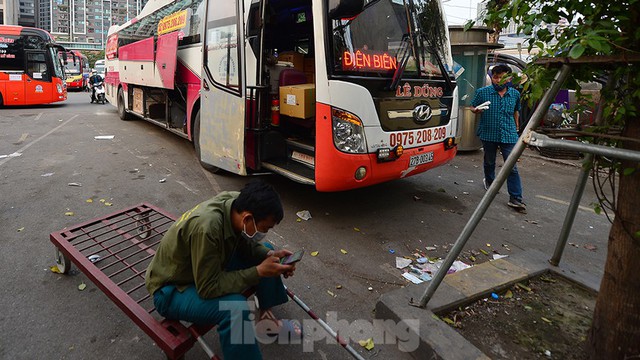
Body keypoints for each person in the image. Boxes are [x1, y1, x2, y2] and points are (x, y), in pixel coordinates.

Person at [145, 180, 301, 359]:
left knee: (266, 253)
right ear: (248, 218)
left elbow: (244, 244)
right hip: (171, 290)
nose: (264, 231)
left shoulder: (236, 204)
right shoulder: (207, 229)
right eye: (264, 228)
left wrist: (271, 254)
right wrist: (258, 272)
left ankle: (267, 318)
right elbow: (208, 288)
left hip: (202, 267)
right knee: (235, 308)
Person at [471, 64, 526, 211]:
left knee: (511, 166)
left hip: (509, 134)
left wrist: (517, 127)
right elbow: (472, 106)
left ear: (509, 78)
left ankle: (515, 198)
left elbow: (516, 111)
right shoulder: (482, 92)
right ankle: (490, 181)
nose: (499, 80)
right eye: (496, 77)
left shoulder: (515, 94)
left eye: (502, 77)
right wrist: (476, 110)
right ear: (492, 78)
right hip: (489, 133)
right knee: (490, 161)